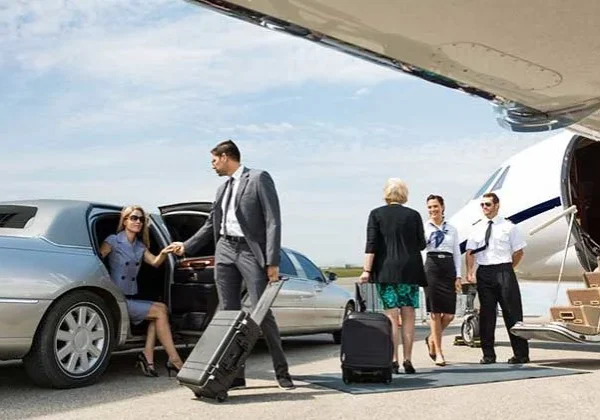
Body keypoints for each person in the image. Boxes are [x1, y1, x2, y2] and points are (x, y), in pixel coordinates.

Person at [170, 139, 294, 390]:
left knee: (262, 313)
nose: (213, 166)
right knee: (228, 314)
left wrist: (272, 261)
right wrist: (186, 246)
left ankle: (282, 373)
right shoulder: (221, 190)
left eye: (214, 160)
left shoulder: (258, 178)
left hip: (249, 251)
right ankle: (234, 375)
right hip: (225, 250)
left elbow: (273, 220)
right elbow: (210, 225)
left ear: (226, 157)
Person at [99, 205, 184, 377]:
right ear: (124, 221)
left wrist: (164, 252)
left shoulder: (139, 246)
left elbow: (154, 262)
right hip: (117, 300)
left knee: (160, 311)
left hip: (129, 297)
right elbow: (97, 260)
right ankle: (175, 360)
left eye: (141, 219)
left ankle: (148, 356)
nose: (138, 221)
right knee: (159, 312)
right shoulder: (113, 240)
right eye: (134, 218)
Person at [359, 178, 427, 374]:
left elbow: (371, 245)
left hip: (386, 271)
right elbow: (421, 244)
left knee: (391, 317)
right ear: (404, 194)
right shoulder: (413, 215)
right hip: (410, 271)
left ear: (386, 193)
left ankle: (393, 360)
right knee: (409, 316)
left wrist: (366, 270)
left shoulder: (376, 214)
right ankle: (408, 360)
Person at [465, 192, 529, 364]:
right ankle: (488, 355)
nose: (485, 208)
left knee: (512, 313)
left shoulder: (509, 227)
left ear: (497, 205)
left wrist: (508, 268)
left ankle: (521, 354)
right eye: (482, 205)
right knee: (486, 315)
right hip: (484, 272)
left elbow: (518, 252)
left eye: (488, 204)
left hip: (504, 270)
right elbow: (470, 252)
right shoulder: (477, 228)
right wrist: (470, 271)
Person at [423, 194, 462, 367]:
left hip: (448, 267)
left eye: (435, 206)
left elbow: (456, 253)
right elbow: (421, 249)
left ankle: (432, 338)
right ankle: (438, 352)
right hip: (431, 267)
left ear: (442, 207)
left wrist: (458, 275)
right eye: (430, 207)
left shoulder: (452, 229)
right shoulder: (424, 227)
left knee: (449, 315)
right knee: (435, 313)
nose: (433, 210)